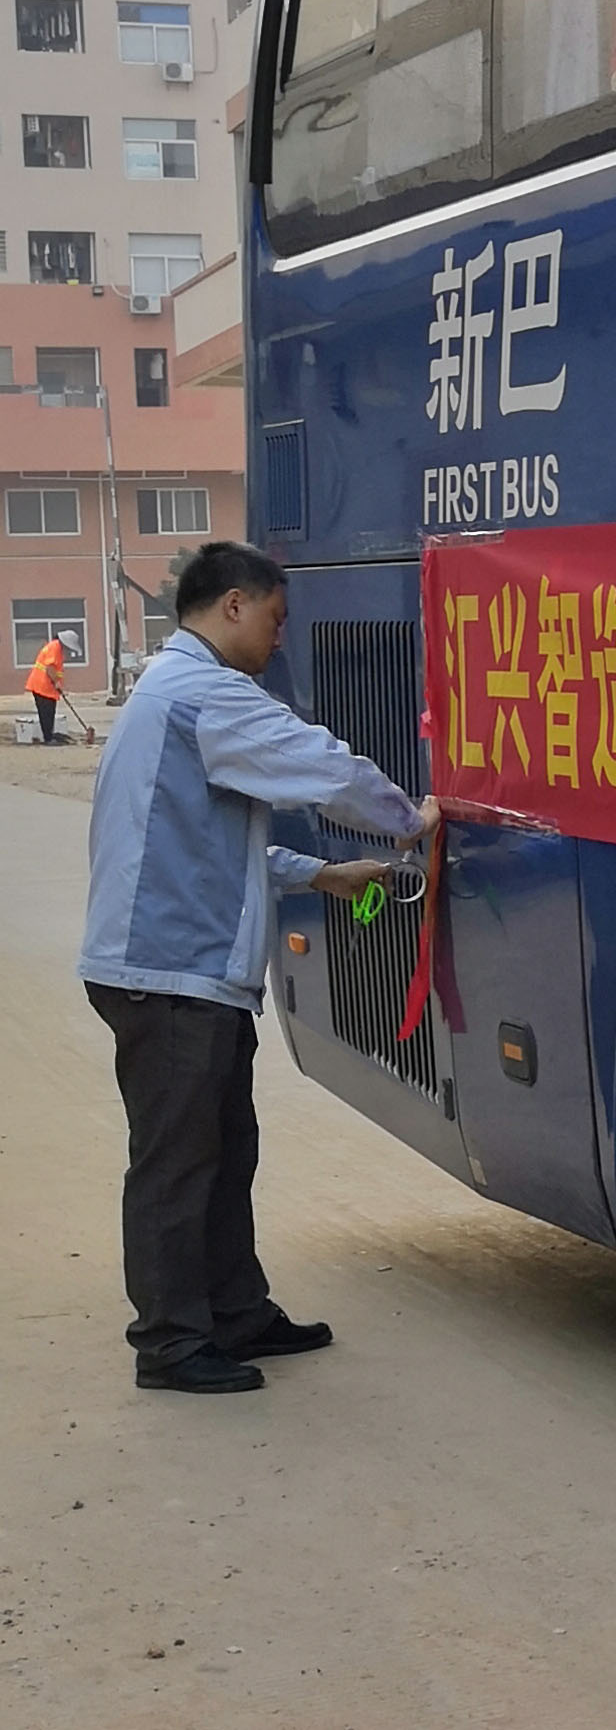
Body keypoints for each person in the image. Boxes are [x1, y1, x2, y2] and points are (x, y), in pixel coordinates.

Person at [77, 541, 435, 1396]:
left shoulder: (169, 692)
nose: (279, 640)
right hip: (169, 972)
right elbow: (322, 767)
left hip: (180, 968)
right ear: (232, 605)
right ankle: (170, 1343)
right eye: (275, 620)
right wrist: (409, 818)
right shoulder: (205, 694)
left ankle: (235, 1312)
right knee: (177, 1163)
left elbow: (208, 848)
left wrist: (320, 874)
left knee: (225, 1150)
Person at [30, 623, 71, 744]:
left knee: (49, 712)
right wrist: (57, 682)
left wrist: (58, 684)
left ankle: (49, 735)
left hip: (46, 687)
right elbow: (50, 668)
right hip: (42, 686)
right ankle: (48, 738)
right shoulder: (55, 647)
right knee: (46, 712)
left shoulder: (56, 647)